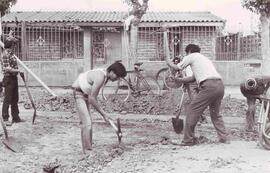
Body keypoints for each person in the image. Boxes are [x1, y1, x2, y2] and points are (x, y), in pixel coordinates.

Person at [166, 43, 228, 146]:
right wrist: (178, 79)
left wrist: (168, 61)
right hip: (220, 85)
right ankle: (224, 138)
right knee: (215, 114)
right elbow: (192, 78)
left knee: (192, 110)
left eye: (186, 53)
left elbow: (177, 68)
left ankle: (188, 140)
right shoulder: (204, 59)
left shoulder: (191, 56)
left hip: (209, 86)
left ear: (189, 51)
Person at [72, 61, 127, 153]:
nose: (117, 79)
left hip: (85, 94)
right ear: (112, 72)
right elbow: (92, 99)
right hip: (79, 93)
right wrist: (104, 114)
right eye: (117, 77)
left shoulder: (105, 77)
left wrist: (103, 113)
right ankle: (87, 150)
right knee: (87, 122)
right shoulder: (100, 76)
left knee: (88, 122)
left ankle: (88, 146)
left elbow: (93, 97)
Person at [1, 30, 25, 126]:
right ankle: (5, 118)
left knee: (15, 98)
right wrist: (18, 71)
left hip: (14, 78)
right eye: (13, 45)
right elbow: (7, 69)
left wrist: (11, 35)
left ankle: (16, 117)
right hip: (8, 79)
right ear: (10, 46)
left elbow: (13, 67)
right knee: (8, 99)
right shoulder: (5, 55)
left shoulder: (12, 54)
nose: (15, 46)